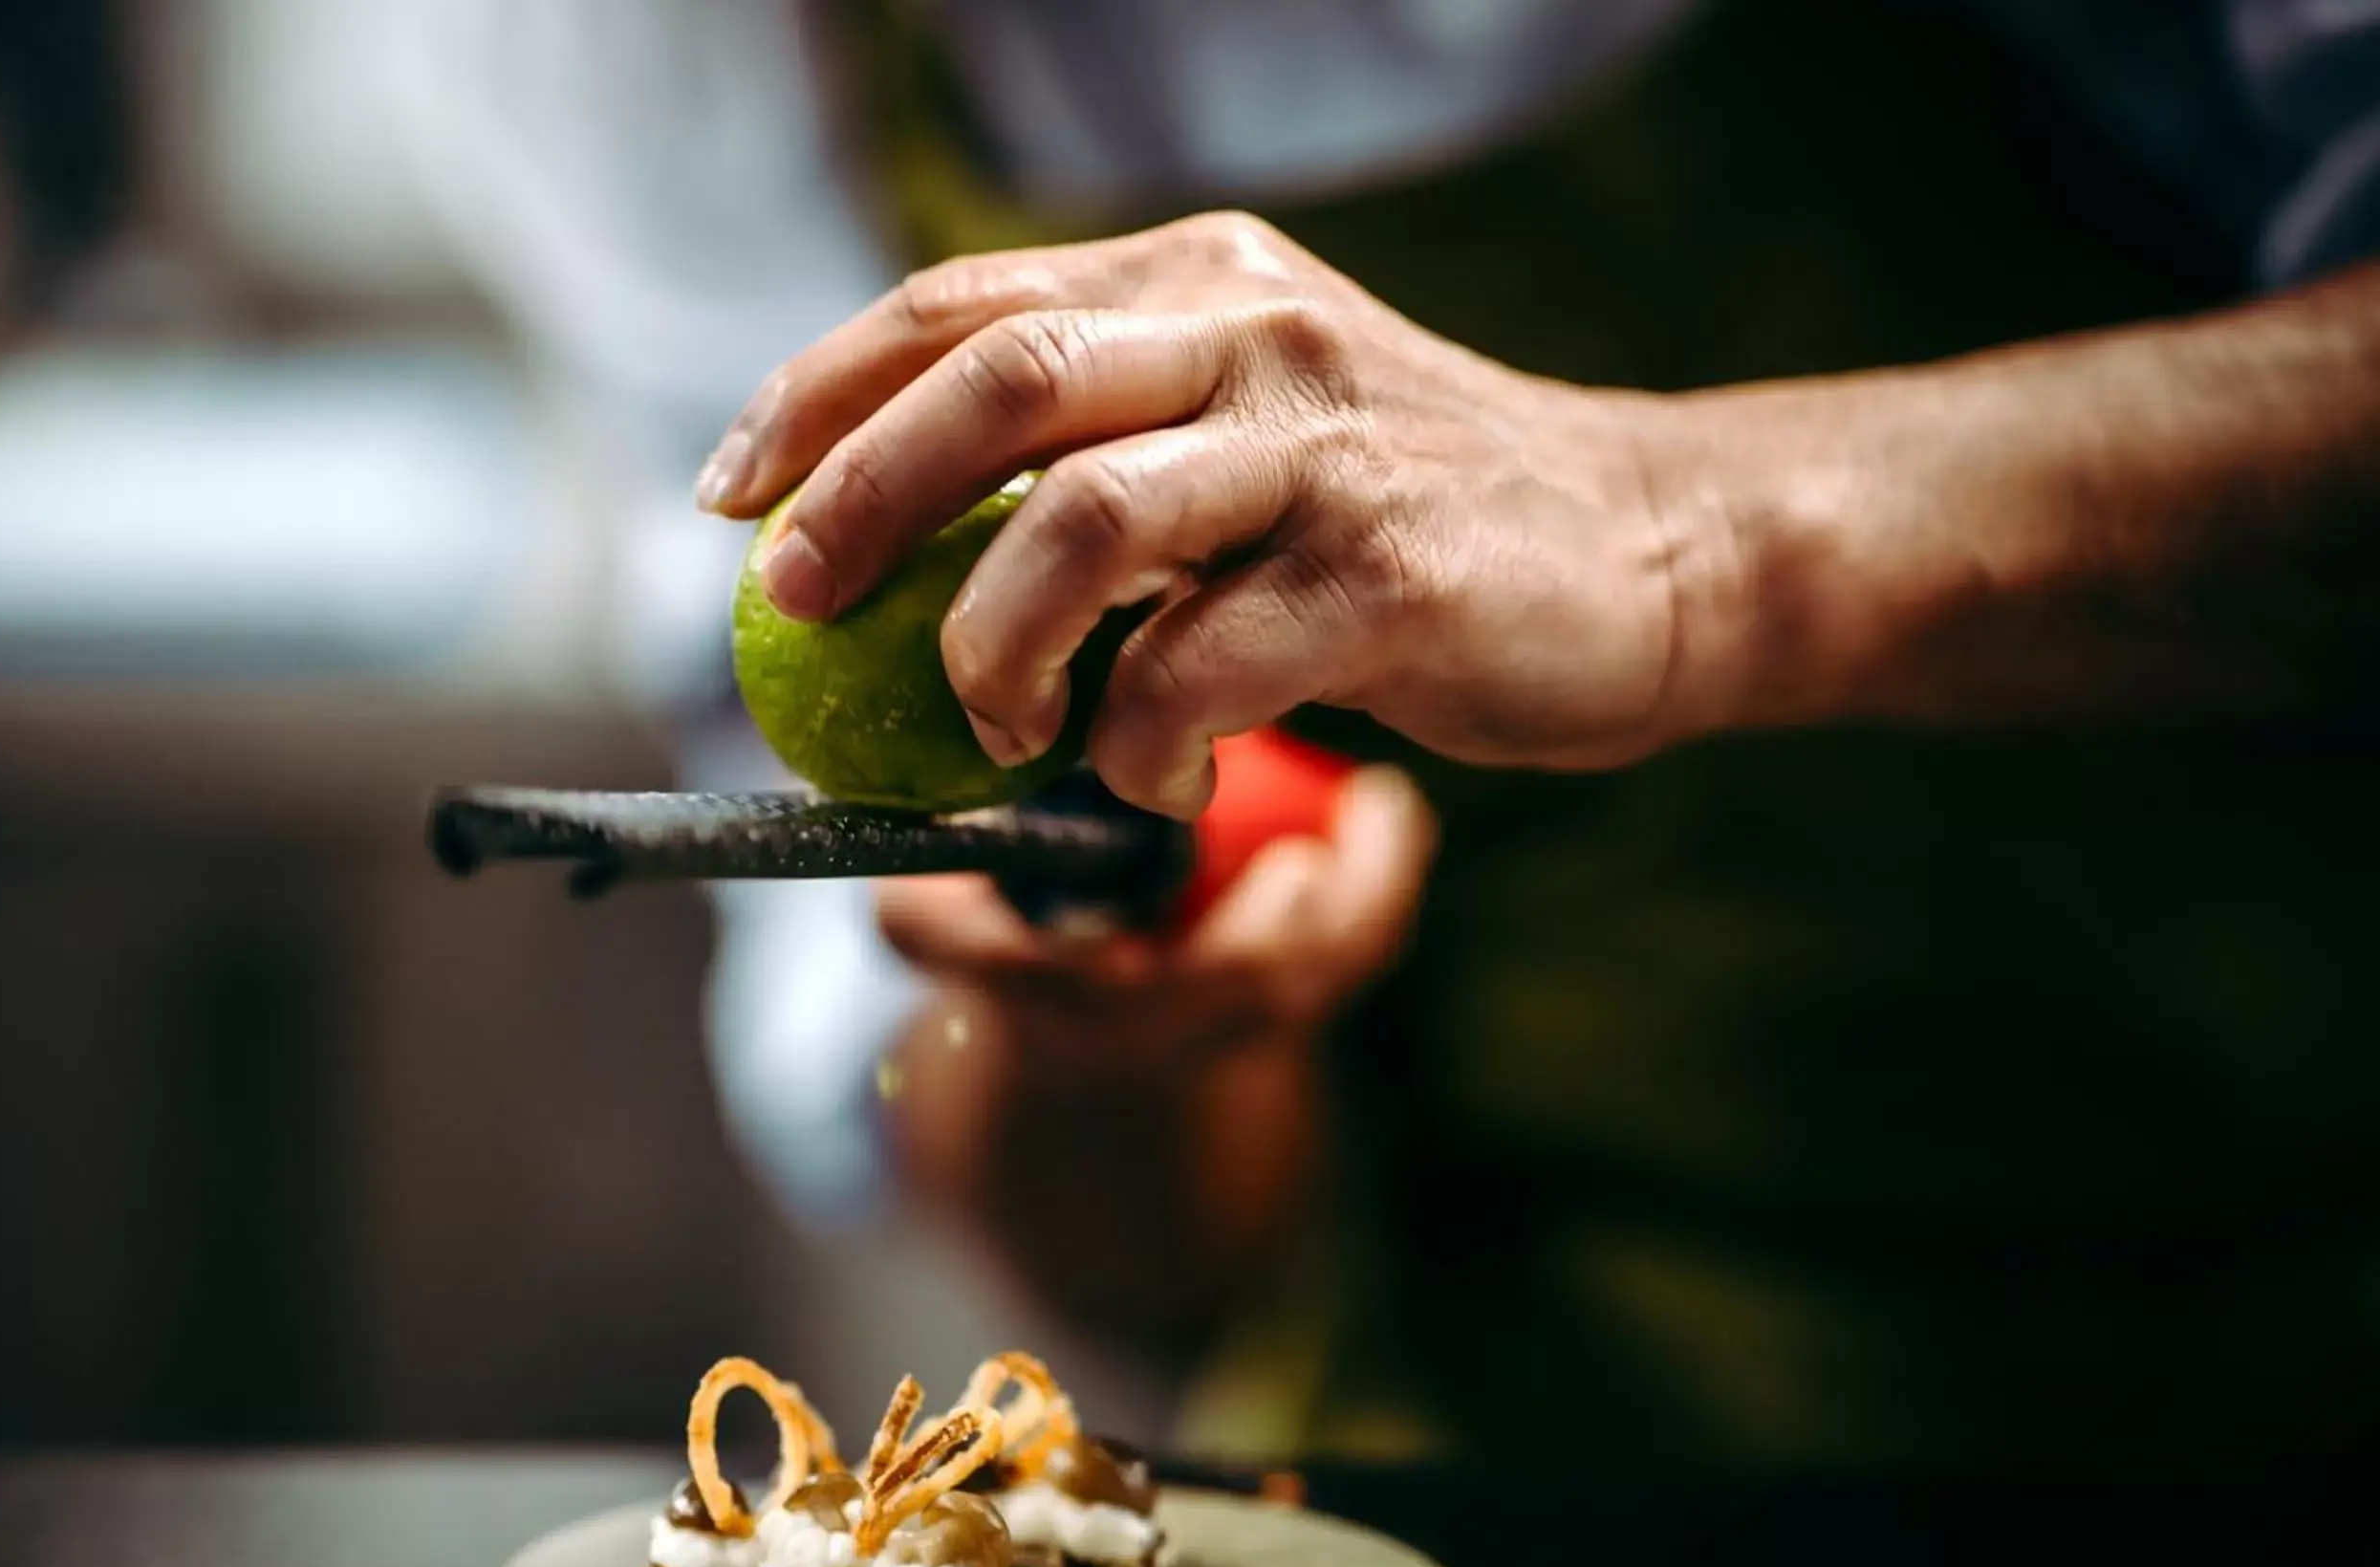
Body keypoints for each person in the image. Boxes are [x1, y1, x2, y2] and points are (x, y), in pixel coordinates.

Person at [424, 0, 2380, 1467]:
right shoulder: (655, 42)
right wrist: (1118, 1029)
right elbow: (1149, 1261)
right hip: (1504, 1468)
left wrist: (1687, 536)